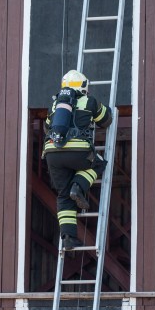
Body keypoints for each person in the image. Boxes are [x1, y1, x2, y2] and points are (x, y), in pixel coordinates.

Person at [43, 70, 113, 250]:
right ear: (83, 86)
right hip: (78, 151)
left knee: (63, 195)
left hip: (52, 153)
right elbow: (106, 120)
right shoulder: (89, 101)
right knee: (98, 163)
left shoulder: (55, 105)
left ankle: (67, 237)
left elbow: (46, 127)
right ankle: (79, 185)